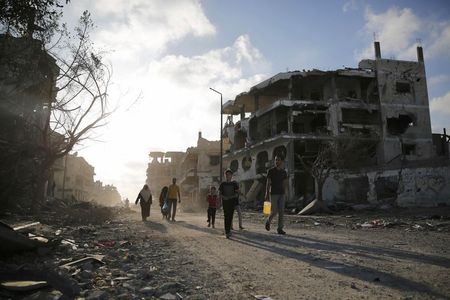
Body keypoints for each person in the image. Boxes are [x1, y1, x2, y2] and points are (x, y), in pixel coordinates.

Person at [264, 156, 288, 234]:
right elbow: (268, 183)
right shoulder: (270, 171)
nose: (277, 161)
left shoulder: (284, 172)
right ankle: (268, 221)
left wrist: (286, 193)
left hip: (281, 193)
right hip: (273, 193)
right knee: (274, 211)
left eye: (278, 160)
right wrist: (266, 193)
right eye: (276, 160)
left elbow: (284, 183)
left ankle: (280, 228)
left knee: (281, 212)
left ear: (281, 162)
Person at [219, 169, 239, 239]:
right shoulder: (222, 184)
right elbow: (220, 194)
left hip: (232, 202)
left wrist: (230, 197)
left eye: (229, 175)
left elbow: (236, 194)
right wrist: (224, 197)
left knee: (230, 217)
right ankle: (227, 231)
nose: (228, 176)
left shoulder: (234, 184)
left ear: (231, 176)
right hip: (225, 203)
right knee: (226, 216)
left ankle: (228, 230)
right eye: (226, 175)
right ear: (225, 176)